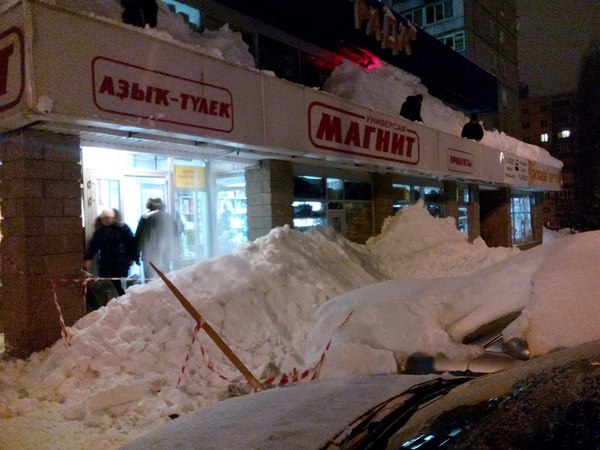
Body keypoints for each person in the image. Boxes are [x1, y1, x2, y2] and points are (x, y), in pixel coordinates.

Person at [84, 208, 137, 296]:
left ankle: (121, 302)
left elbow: (131, 243)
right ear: (101, 219)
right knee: (109, 286)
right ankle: (115, 303)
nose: (107, 220)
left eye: (109, 218)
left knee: (117, 285)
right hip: (106, 264)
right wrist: (88, 258)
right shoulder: (100, 232)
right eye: (105, 218)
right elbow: (94, 246)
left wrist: (132, 258)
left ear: (113, 218)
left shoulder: (122, 229)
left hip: (120, 263)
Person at [135, 198, 181, 282]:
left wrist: (136, 254)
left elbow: (138, 237)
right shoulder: (168, 217)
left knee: (150, 280)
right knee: (163, 279)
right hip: (165, 254)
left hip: (148, 254)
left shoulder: (145, 217)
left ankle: (151, 294)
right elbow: (176, 234)